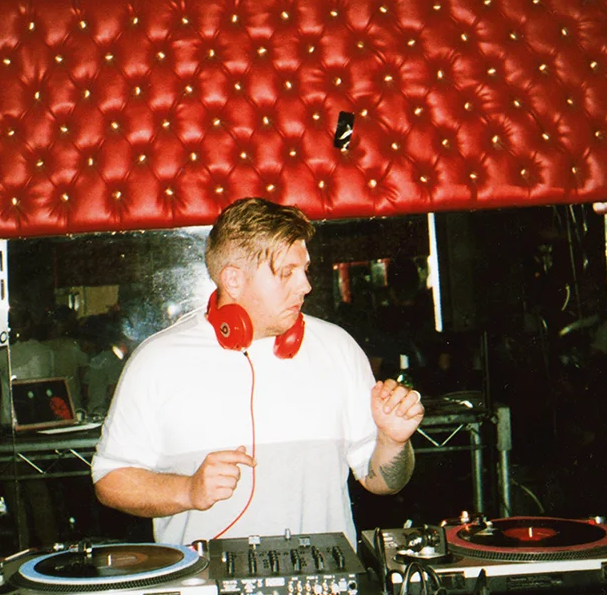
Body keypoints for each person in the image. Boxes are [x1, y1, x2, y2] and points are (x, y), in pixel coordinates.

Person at [91, 197, 424, 549]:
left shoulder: (338, 348)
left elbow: (383, 482)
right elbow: (110, 480)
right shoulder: (157, 361)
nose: (305, 286)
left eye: (305, 269)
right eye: (287, 273)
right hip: (205, 594)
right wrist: (188, 490)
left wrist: (393, 440)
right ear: (233, 280)